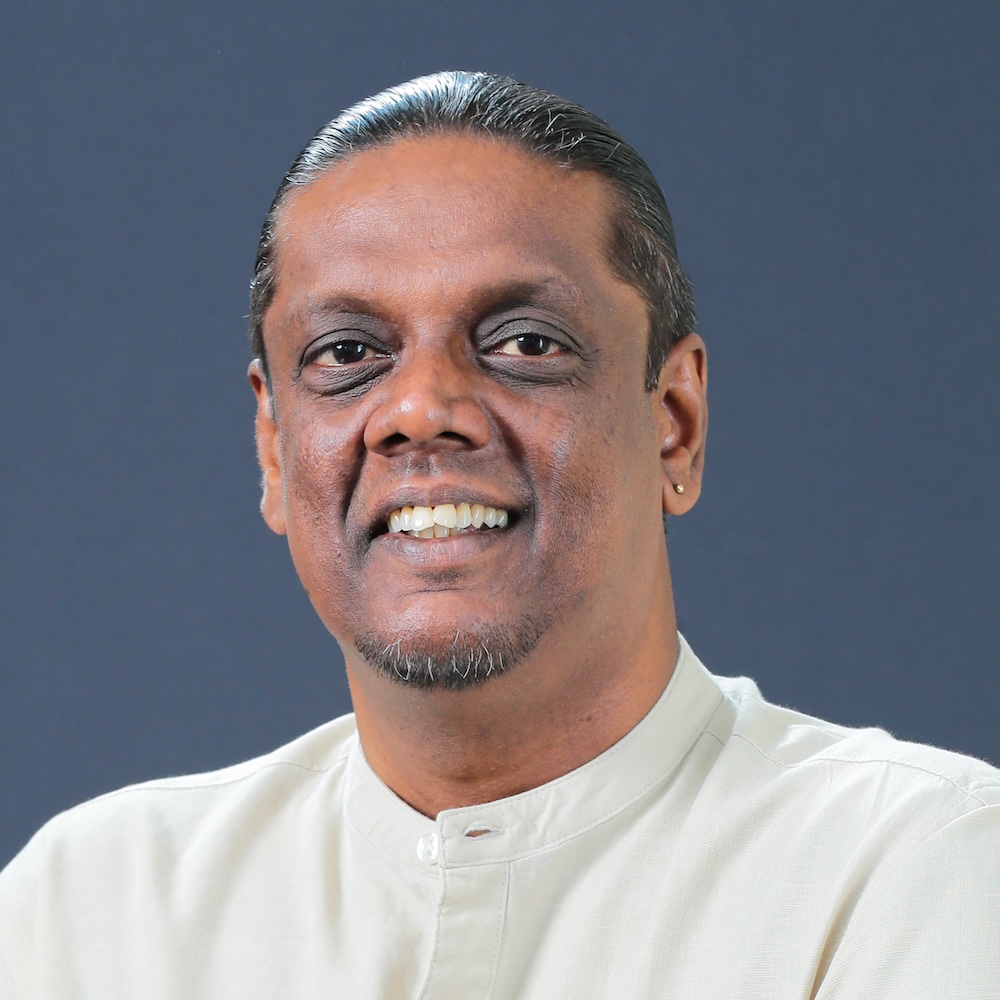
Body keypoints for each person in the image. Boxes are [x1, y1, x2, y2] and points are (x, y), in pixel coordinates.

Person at [1, 70, 997, 999]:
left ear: (675, 422)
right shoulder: (89, 912)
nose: (421, 409)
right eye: (348, 352)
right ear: (273, 447)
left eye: (525, 342)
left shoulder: (913, 866)